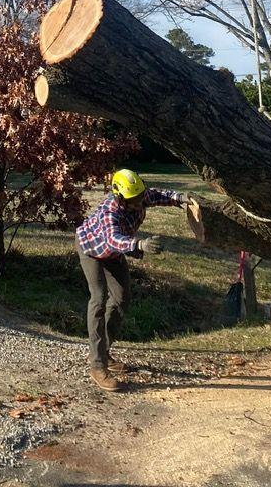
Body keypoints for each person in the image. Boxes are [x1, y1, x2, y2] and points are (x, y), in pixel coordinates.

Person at [76, 168, 188, 392]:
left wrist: (181, 199)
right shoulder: (110, 210)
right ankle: (97, 366)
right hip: (92, 249)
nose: (139, 202)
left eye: (139, 196)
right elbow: (113, 239)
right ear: (119, 196)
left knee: (122, 299)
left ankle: (105, 351)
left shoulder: (138, 194)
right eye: (133, 200)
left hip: (113, 254)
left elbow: (158, 195)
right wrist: (139, 244)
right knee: (98, 299)